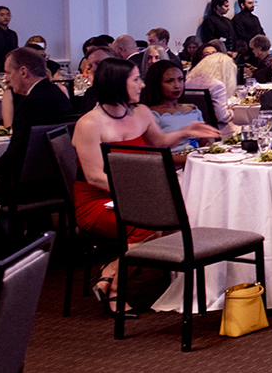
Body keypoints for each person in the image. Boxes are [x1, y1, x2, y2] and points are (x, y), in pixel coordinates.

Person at [73, 58, 219, 312]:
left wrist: (187, 131)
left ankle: (112, 272)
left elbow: (159, 141)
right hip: (96, 200)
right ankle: (117, 291)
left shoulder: (140, 112)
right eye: (135, 79)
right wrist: (138, 196)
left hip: (132, 194)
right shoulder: (89, 123)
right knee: (151, 223)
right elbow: (95, 176)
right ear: (117, 83)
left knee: (180, 222)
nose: (142, 85)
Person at [0, 47, 73, 207]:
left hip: (24, 187)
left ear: (23, 72)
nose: (7, 80)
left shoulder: (30, 104)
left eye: (8, 73)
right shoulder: (58, 95)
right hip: (57, 180)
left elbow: (17, 153)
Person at [141, 59, 205, 157]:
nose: (177, 86)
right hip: (173, 167)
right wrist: (189, 159)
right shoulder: (151, 114)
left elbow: (205, 141)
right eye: (169, 81)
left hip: (198, 160)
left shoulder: (192, 108)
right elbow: (155, 155)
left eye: (180, 79)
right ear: (157, 84)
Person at [184, 49, 236, 123]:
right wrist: (231, 111)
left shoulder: (189, 81)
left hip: (192, 123)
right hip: (213, 127)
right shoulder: (218, 85)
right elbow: (222, 117)